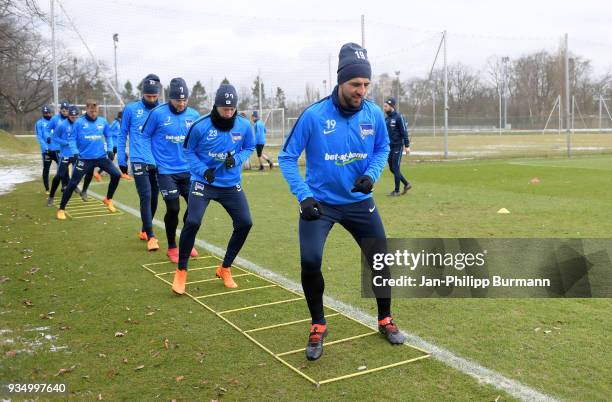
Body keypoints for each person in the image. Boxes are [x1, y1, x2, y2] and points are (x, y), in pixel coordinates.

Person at [278, 43, 406, 361]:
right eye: (355, 85)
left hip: (359, 202)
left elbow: (381, 148)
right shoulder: (314, 116)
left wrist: (373, 174)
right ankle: (318, 324)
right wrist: (303, 195)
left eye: (366, 85)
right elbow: (287, 157)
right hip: (320, 204)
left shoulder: (374, 113)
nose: (361, 91)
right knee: (310, 261)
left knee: (379, 257)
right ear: (340, 82)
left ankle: (385, 319)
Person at [173, 84, 255, 295]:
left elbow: (249, 147)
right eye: (224, 109)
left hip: (230, 184)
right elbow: (188, 152)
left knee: (245, 223)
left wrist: (236, 160)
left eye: (232, 109)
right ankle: (181, 270)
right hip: (203, 182)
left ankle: (225, 267)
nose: (228, 113)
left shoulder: (244, 126)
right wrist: (203, 170)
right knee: (192, 221)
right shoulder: (200, 126)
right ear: (216, 106)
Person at [141, 77, 200, 263]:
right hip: (166, 170)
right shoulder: (158, 114)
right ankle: (172, 246)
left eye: (184, 100)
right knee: (173, 208)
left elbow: (200, 141)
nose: (181, 104)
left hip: (189, 171)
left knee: (194, 208)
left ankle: (186, 241)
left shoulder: (194, 115)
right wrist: (149, 161)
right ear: (170, 98)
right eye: (178, 100)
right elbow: (144, 137)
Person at [117, 74, 162, 251]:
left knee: (155, 196)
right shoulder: (130, 109)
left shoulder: (162, 110)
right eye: (148, 96)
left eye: (154, 96)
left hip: (157, 160)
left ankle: (145, 229)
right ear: (142, 93)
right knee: (145, 195)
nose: (151, 99)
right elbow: (122, 134)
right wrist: (122, 159)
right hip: (138, 159)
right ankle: (151, 236)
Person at [56, 100, 121, 220]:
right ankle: (61, 209)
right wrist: (75, 152)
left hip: (101, 157)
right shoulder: (79, 122)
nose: (93, 113)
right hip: (84, 159)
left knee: (116, 174)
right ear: (87, 109)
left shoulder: (102, 121)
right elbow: (71, 139)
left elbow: (108, 136)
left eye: (96, 111)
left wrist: (110, 149)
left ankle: (108, 199)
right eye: (91, 111)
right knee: (73, 184)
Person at [47, 105, 80, 207]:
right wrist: (65, 142)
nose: (74, 119)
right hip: (65, 154)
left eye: (76, 117)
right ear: (68, 116)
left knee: (78, 172)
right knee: (59, 175)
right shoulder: (62, 125)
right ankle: (51, 196)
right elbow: (54, 137)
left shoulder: (79, 124)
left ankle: (74, 186)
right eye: (72, 117)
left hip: (76, 153)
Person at [383, 97, 411, 196]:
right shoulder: (386, 119)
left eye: (386, 106)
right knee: (392, 168)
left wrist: (407, 146)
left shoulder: (399, 117)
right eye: (384, 106)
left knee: (395, 167)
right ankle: (406, 183)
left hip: (397, 146)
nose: (384, 108)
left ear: (391, 106)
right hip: (389, 147)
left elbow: (404, 132)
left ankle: (397, 190)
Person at [35, 105, 53, 193]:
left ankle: (64, 186)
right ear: (43, 113)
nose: (48, 114)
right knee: (46, 169)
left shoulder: (55, 121)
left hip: (56, 150)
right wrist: (45, 148)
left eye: (49, 112)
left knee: (62, 168)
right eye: (46, 113)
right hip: (46, 151)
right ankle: (47, 188)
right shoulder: (39, 123)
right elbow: (40, 137)